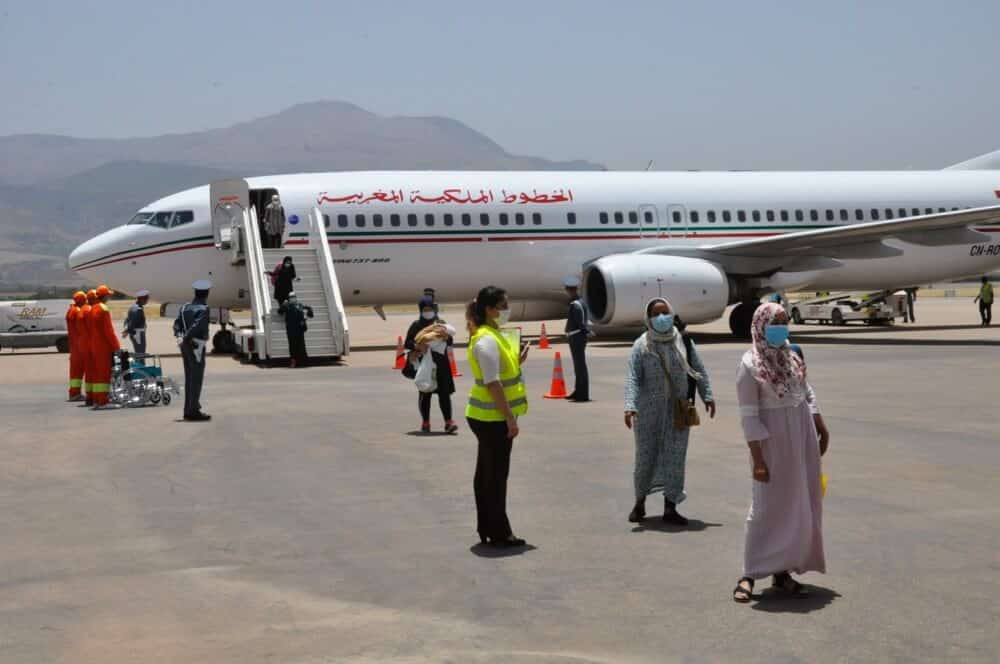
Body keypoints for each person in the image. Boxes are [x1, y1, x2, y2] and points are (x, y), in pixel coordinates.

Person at [732, 302, 829, 603]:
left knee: (798, 504)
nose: (782, 327)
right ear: (761, 324)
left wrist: (820, 425)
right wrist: (758, 459)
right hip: (772, 446)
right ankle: (749, 573)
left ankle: (782, 572)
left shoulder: (791, 357)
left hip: (801, 443)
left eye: (785, 321)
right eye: (776, 321)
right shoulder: (749, 364)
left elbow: (805, 392)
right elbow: (749, 416)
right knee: (765, 509)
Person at [624, 298, 716, 525]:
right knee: (646, 457)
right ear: (648, 318)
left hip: (679, 410)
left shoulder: (683, 341)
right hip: (648, 413)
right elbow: (633, 377)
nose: (661, 317)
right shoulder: (641, 345)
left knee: (675, 458)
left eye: (665, 312)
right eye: (656, 314)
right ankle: (640, 502)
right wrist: (630, 405)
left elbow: (698, 369)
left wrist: (708, 395)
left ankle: (670, 506)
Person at [466, 286, 530, 547]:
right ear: (490, 309)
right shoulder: (487, 340)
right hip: (491, 418)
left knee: (486, 476)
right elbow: (493, 384)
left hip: (486, 416)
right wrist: (510, 420)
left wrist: (518, 360)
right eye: (503, 306)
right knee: (495, 478)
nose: (507, 310)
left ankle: (488, 528)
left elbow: (499, 372)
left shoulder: (492, 335)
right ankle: (500, 532)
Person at [404, 297, 457, 433]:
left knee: (444, 393)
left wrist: (446, 336)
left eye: (430, 309)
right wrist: (417, 346)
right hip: (425, 364)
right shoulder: (416, 325)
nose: (428, 312)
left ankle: (448, 422)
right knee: (425, 393)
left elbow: (450, 342)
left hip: (441, 364)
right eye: (425, 310)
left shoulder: (440, 324)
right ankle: (426, 422)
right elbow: (407, 343)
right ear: (421, 310)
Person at [173, 280, 212, 422]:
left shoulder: (184, 308)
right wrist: (187, 337)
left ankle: (188, 410)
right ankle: (193, 411)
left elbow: (177, 324)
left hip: (185, 345)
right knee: (196, 378)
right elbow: (197, 325)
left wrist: (180, 337)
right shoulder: (204, 308)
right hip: (196, 345)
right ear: (207, 293)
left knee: (189, 377)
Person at [89, 284, 121, 409]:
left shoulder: (93, 308)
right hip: (103, 347)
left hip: (94, 345)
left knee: (97, 374)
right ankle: (103, 401)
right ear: (105, 296)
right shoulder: (103, 308)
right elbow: (108, 331)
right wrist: (116, 346)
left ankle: (97, 399)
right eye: (109, 295)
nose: (109, 297)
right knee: (103, 374)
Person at [563, 277, 591, 402]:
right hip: (578, 336)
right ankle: (578, 391)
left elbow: (579, 322)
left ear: (568, 290)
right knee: (578, 366)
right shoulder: (581, 302)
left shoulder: (576, 304)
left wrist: (585, 331)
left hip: (577, 337)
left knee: (580, 366)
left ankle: (582, 394)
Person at [277, 291, 314, 368]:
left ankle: (303, 362)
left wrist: (308, 313)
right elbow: (280, 311)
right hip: (291, 330)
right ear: (289, 298)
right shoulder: (287, 306)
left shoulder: (299, 305)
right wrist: (283, 304)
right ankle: (293, 362)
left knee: (301, 346)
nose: (293, 298)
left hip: (300, 329)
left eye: (294, 297)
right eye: (291, 297)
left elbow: (309, 310)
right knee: (292, 346)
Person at [66, 291, 87, 401]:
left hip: (73, 346)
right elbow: (81, 329)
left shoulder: (70, 310)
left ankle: (74, 392)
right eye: (85, 300)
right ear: (81, 300)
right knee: (79, 371)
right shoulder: (78, 311)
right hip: (79, 345)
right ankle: (75, 394)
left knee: (74, 372)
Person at [81, 289, 97, 406]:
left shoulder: (83, 310)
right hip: (90, 345)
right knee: (94, 372)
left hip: (84, 344)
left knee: (89, 373)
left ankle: (89, 396)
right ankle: (94, 397)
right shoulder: (89, 310)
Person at [122, 289, 150, 359]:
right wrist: (128, 331)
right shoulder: (137, 309)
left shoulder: (133, 307)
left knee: (139, 354)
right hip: (138, 334)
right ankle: (141, 369)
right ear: (142, 299)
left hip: (136, 334)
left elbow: (127, 320)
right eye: (146, 298)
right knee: (140, 355)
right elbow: (132, 323)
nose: (147, 300)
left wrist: (126, 330)